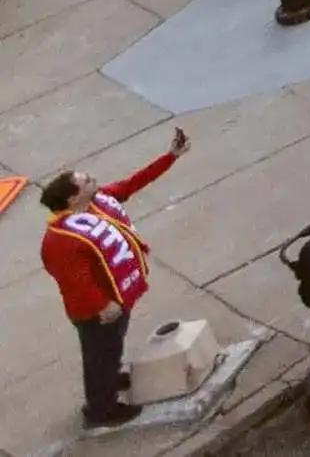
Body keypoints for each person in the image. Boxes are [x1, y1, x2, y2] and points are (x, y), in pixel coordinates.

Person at [38, 133, 185, 434]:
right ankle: (100, 409)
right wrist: (103, 306)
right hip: (97, 311)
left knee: (110, 348)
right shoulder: (59, 240)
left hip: (116, 299)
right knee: (98, 354)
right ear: (72, 198)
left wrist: (170, 156)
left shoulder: (97, 202)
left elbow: (132, 183)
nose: (95, 180)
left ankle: (109, 377)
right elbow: (75, 281)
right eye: (87, 180)